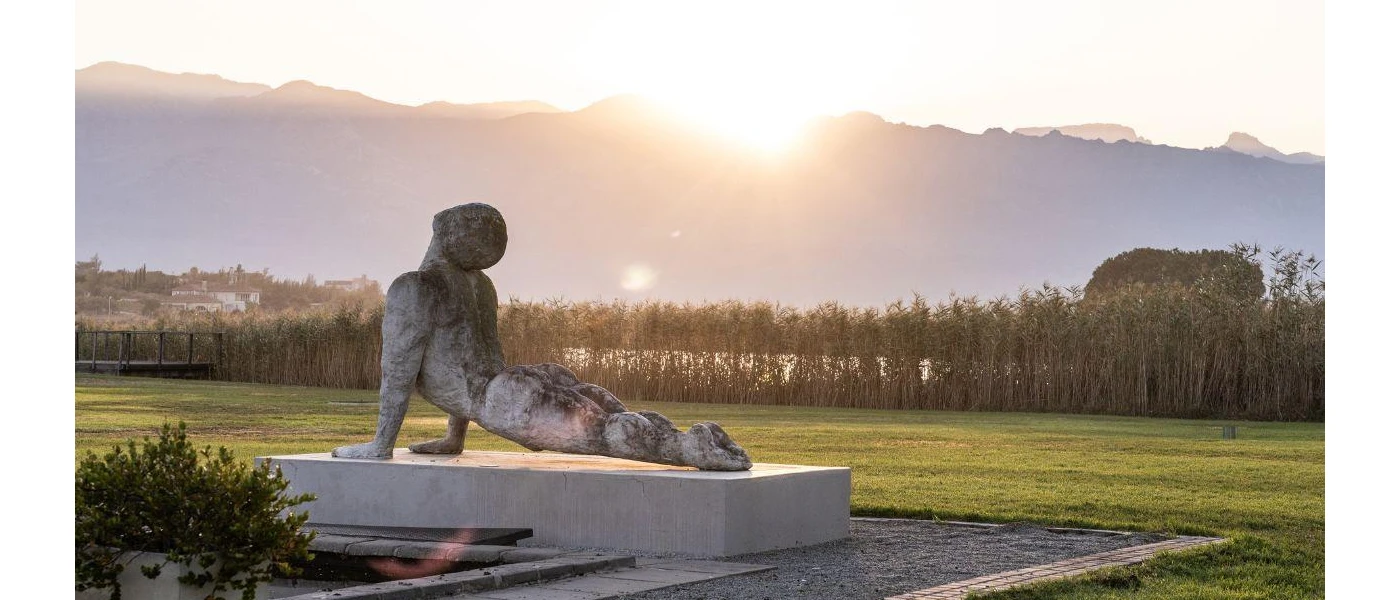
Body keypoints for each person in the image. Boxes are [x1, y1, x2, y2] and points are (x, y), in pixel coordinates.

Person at [332, 203, 752, 471]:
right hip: (510, 385)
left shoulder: (416, 286)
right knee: (608, 419)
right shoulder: (479, 286)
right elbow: (476, 359)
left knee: (604, 432)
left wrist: (380, 445)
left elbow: (399, 369)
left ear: (440, 231)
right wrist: (452, 438)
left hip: (499, 399)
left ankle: (692, 449)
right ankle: (688, 441)